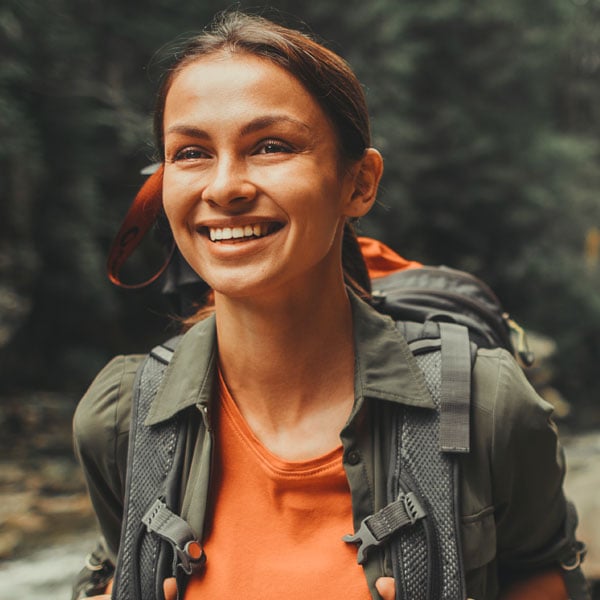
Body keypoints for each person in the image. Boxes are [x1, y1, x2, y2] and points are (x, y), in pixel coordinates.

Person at [72, 10, 587, 600]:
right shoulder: (121, 419)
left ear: (359, 184)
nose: (224, 187)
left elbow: (540, 572)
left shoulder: (483, 405)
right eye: (190, 153)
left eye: (270, 146)